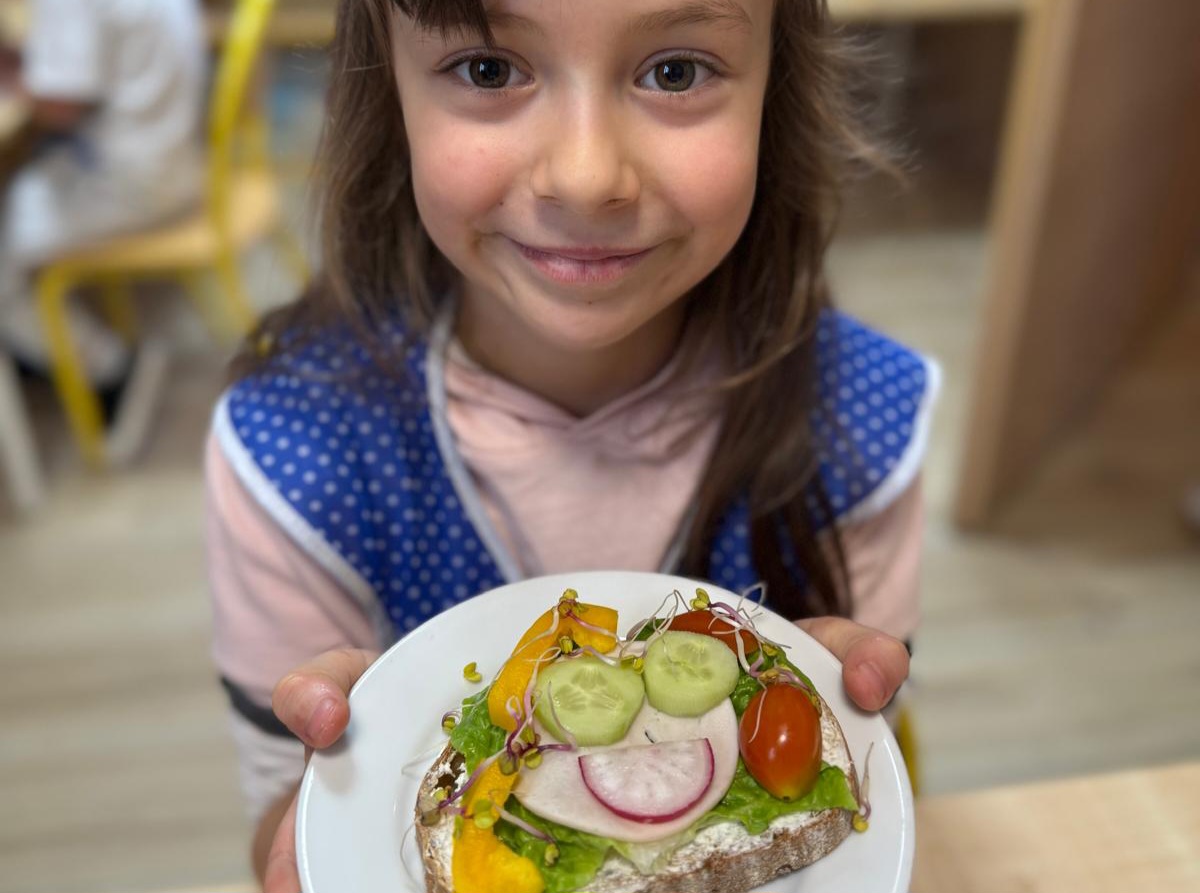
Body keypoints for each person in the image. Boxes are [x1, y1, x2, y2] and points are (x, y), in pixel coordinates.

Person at [203, 1, 938, 889]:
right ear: (385, 91)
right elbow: (277, 820)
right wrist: (335, 804)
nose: (587, 178)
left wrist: (845, 718)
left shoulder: (861, 424)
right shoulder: (294, 458)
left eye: (675, 71)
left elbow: (878, 796)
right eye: (488, 69)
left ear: (776, 89)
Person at [0, 0, 206, 395]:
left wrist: (12, 77)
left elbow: (61, 107)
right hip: (177, 159)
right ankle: (42, 347)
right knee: (25, 182)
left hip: (133, 184)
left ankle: (110, 373)